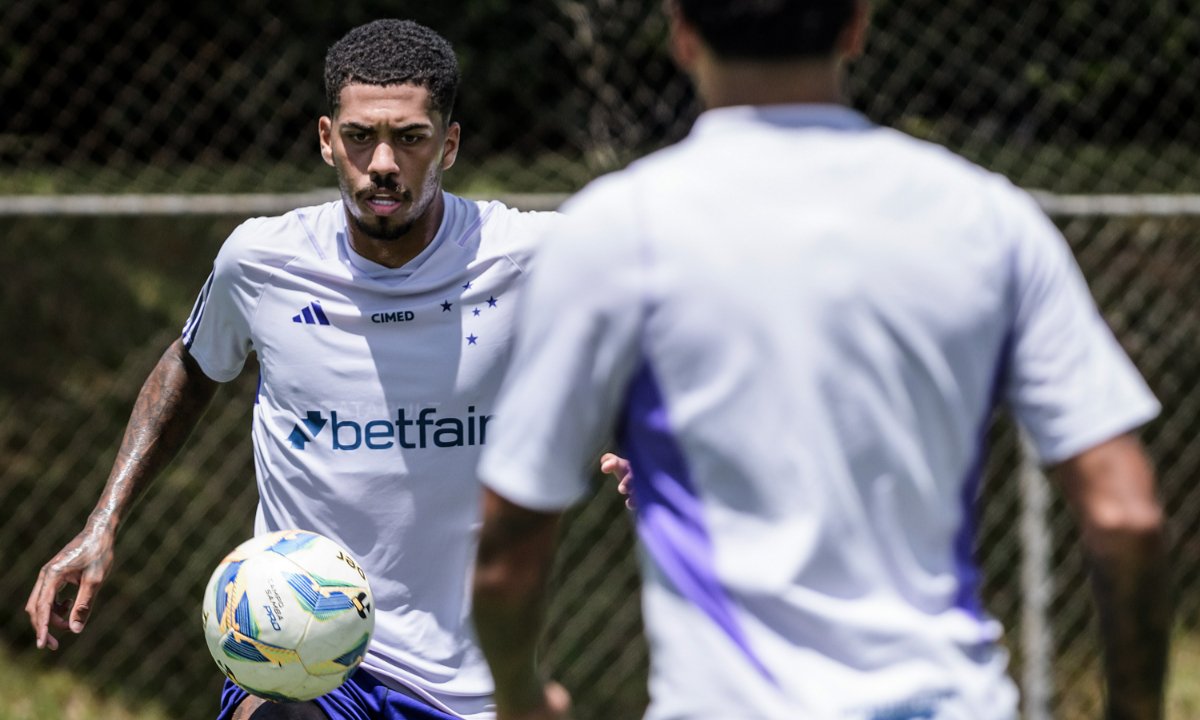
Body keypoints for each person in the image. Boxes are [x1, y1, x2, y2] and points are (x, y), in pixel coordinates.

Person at [471, 1, 1172, 719]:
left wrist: (521, 696)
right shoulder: (986, 218)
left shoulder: (616, 231)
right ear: (857, 26)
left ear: (681, 32)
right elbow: (1126, 514)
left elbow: (509, 545)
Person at [26, 18, 623, 720]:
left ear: (449, 145)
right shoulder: (261, 262)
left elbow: (658, 336)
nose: (383, 163)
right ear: (326, 139)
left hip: (469, 679)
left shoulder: (528, 257)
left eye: (411, 138)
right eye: (360, 136)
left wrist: (654, 441)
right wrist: (103, 520)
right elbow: (189, 365)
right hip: (300, 652)